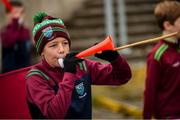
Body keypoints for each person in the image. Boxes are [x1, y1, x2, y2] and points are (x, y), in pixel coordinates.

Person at [26, 12, 132, 119]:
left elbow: (122, 77)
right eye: (53, 45)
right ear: (42, 52)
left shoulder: (82, 65)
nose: (62, 50)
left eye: (65, 43)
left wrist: (115, 59)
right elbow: (54, 114)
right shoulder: (36, 77)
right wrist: (69, 74)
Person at [143, 1, 180, 119]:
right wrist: (146, 117)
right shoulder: (157, 55)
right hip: (169, 116)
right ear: (168, 25)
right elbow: (150, 91)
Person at [0, 1, 31, 73]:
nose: (19, 15)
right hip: (10, 72)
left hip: (25, 70)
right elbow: (9, 41)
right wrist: (15, 23)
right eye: (16, 12)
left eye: (21, 12)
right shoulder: (4, 31)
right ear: (8, 14)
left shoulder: (25, 30)